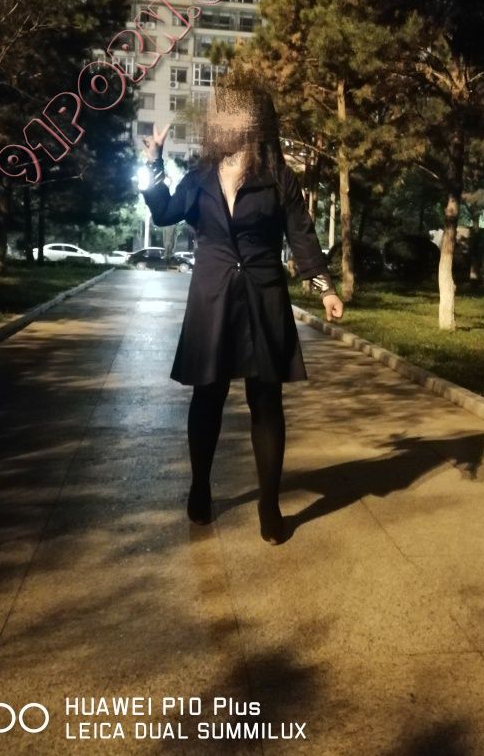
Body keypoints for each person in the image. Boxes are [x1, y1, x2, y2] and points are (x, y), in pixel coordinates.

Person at [138, 85, 343, 545]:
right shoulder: (200, 177)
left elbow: (302, 237)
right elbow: (165, 212)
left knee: (265, 401)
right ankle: (200, 487)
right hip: (212, 298)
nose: (224, 122)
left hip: (262, 297)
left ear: (253, 122)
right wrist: (154, 164)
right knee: (207, 396)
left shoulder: (278, 177)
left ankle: (269, 504)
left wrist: (324, 288)